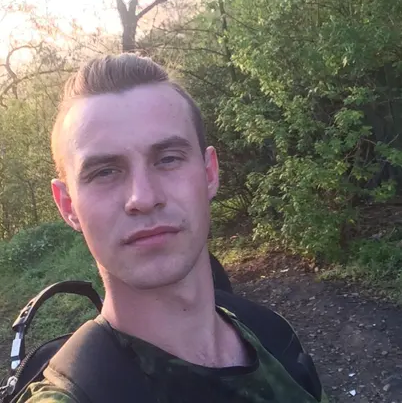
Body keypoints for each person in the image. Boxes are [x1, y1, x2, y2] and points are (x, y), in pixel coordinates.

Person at [19, 53, 328, 403]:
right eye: (105, 172)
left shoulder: (275, 337)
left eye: (168, 159)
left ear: (209, 173)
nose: (143, 198)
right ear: (68, 205)